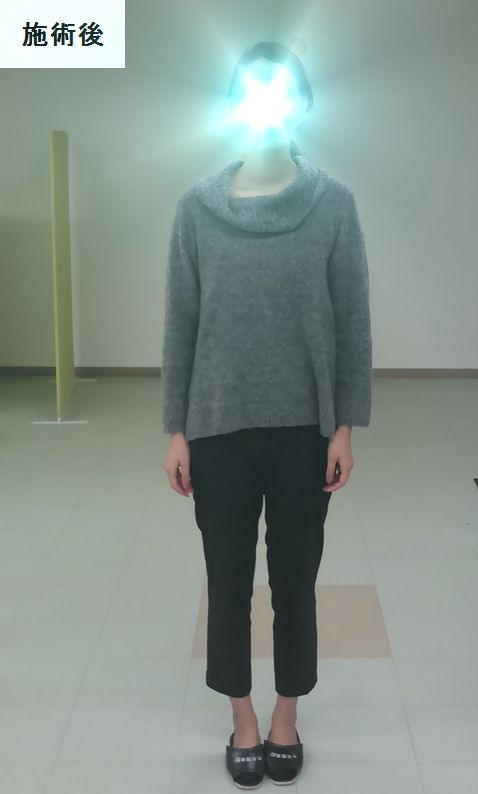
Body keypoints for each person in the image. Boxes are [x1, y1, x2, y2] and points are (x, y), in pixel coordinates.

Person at [161, 40, 373, 789]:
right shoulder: (197, 208)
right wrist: (176, 429)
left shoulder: (332, 204)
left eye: (281, 93)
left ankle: (286, 713)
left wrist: (344, 425)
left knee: (294, 583)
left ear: (302, 105)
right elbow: (181, 324)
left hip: (303, 432)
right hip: (217, 426)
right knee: (227, 582)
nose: (267, 107)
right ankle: (241, 717)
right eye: (252, 93)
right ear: (232, 107)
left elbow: (351, 321)